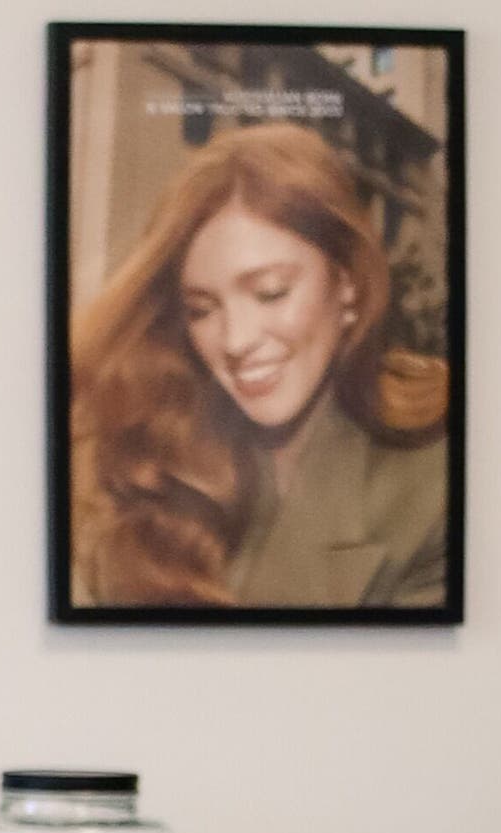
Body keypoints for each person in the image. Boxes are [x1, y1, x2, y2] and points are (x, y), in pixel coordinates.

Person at [69, 122, 451, 611]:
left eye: (270, 292)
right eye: (202, 310)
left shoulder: (436, 483)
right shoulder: (133, 465)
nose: (235, 340)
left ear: (348, 282)